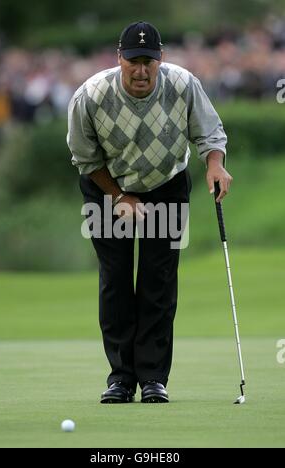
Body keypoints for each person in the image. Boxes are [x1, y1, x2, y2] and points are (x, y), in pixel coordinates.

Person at [67, 21, 233, 404]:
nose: (141, 70)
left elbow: (210, 132)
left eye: (149, 61)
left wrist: (214, 163)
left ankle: (154, 378)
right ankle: (121, 379)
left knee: (159, 280)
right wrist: (118, 196)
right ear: (119, 58)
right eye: (134, 61)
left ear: (161, 60)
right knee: (116, 279)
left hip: (167, 185)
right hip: (106, 189)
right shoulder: (90, 96)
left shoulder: (183, 84)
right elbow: (84, 158)